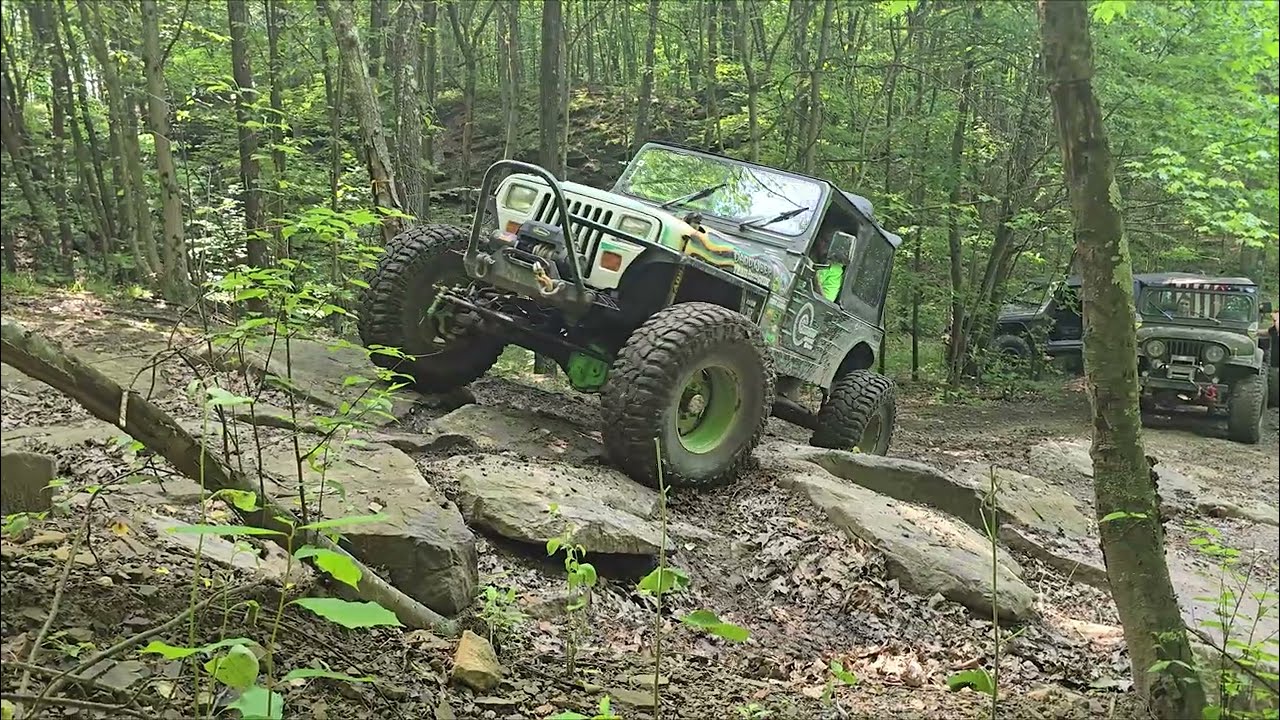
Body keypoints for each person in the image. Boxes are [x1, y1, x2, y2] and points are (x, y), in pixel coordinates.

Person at [812, 234, 844, 303]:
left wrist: (814, 278)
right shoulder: (808, 249)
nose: (827, 246)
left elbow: (825, 302)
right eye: (824, 241)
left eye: (831, 242)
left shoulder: (835, 270)